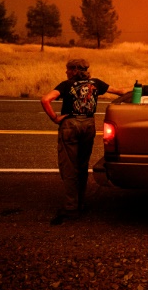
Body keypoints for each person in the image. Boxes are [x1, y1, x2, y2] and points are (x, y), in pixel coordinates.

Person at [41, 59, 129, 225]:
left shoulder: (66, 85)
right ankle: (80, 203)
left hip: (70, 124)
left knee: (69, 168)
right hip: (88, 125)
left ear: (74, 70)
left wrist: (55, 118)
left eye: (67, 69)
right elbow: (121, 91)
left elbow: (45, 100)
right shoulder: (95, 83)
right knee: (82, 166)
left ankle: (70, 208)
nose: (66, 72)